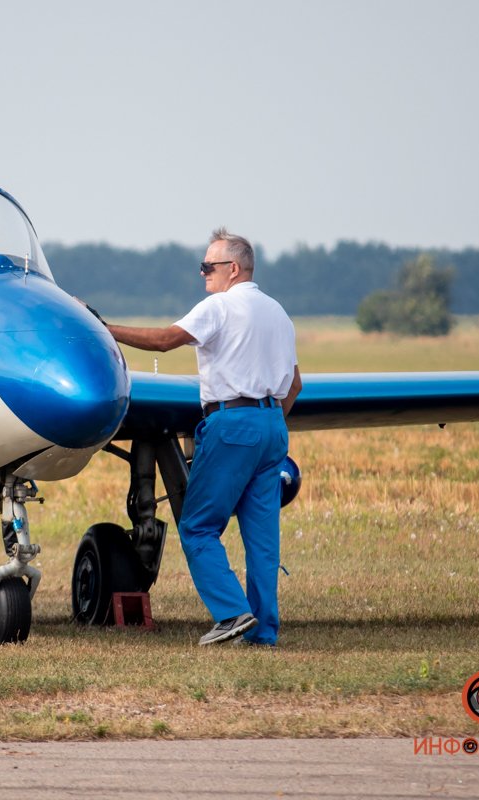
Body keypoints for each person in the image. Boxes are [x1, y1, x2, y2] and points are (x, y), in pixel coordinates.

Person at [103, 228, 302, 647]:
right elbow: (295, 384)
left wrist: (105, 329)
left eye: (208, 267)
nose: (202, 274)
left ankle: (231, 614)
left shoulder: (220, 307)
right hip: (272, 426)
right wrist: (268, 423)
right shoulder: (278, 313)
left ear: (233, 269)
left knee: (197, 526)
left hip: (232, 424)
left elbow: (164, 341)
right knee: (262, 540)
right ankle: (264, 632)